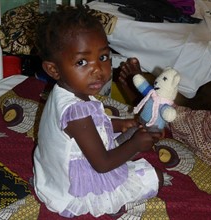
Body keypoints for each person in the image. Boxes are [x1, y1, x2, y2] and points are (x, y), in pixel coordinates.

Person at [33, 6, 166, 218]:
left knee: (135, 129)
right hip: (74, 187)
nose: (98, 70)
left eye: (103, 57)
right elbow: (102, 165)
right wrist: (135, 145)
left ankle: (132, 137)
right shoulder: (76, 112)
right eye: (82, 62)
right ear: (54, 70)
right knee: (156, 177)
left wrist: (120, 124)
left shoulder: (65, 92)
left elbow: (88, 125)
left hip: (55, 169)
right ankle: (113, 197)